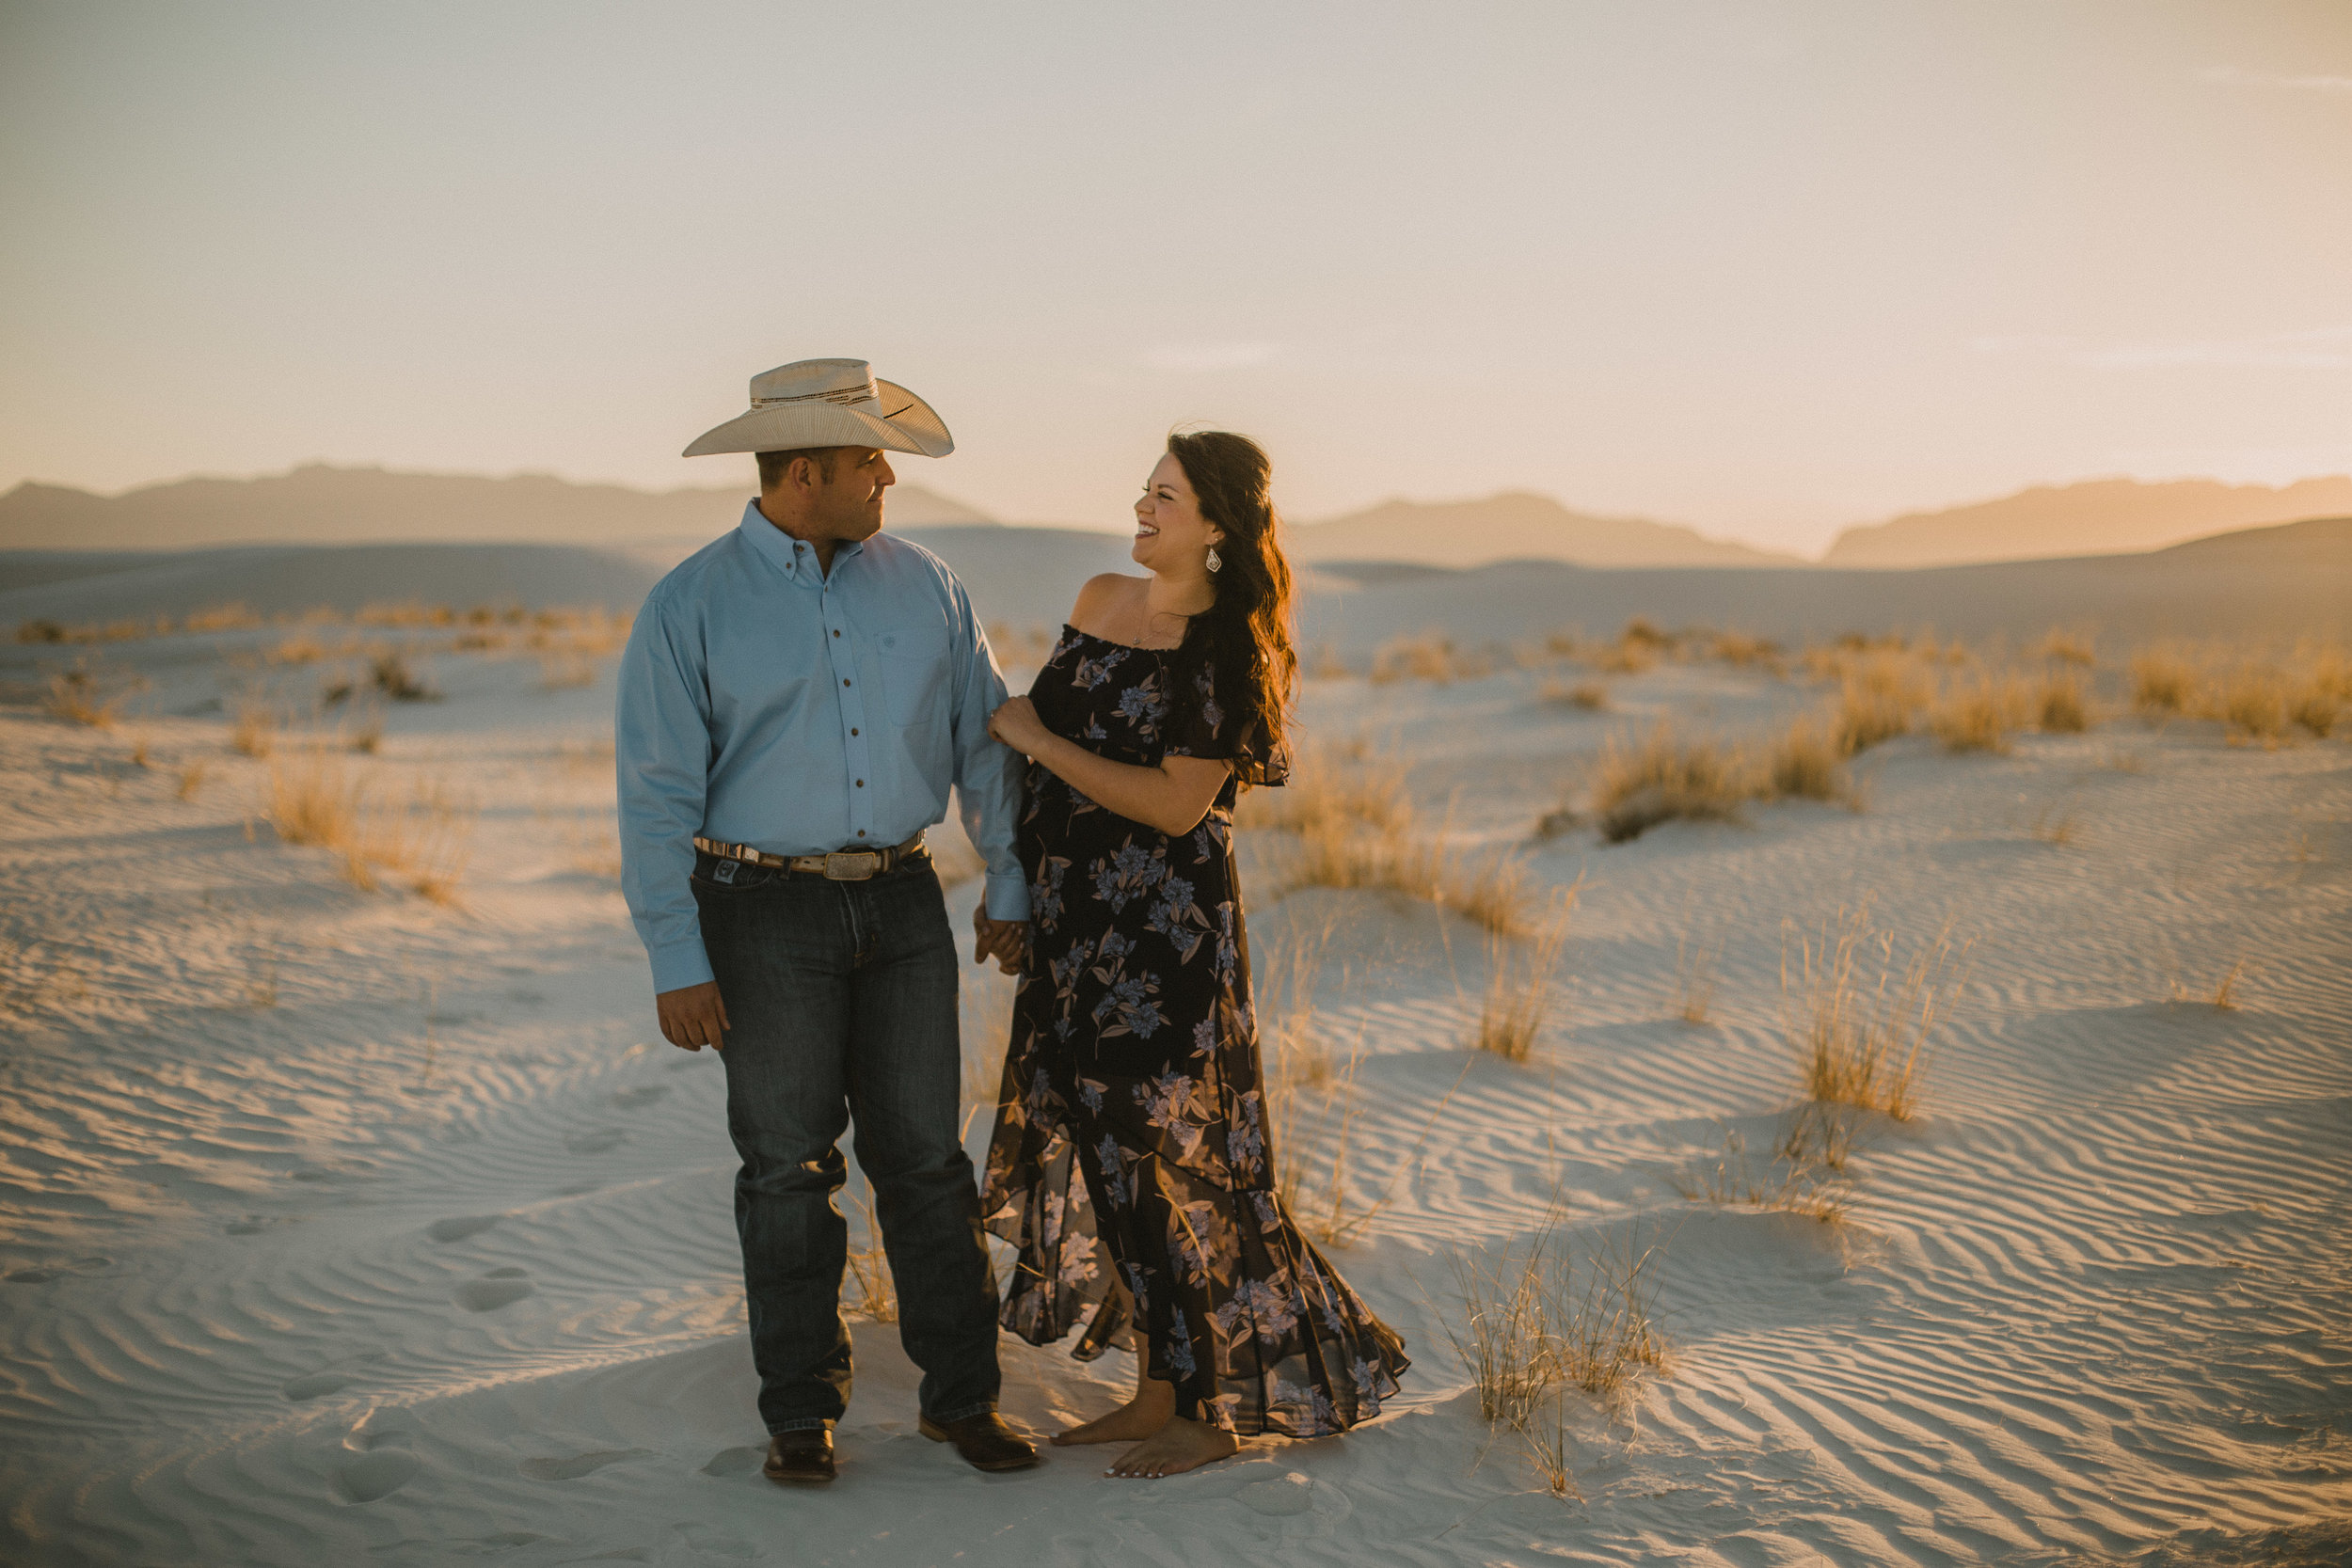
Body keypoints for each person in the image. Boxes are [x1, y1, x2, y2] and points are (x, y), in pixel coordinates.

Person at [616, 358, 1039, 1486]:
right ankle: (801, 1416)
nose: (886, 474)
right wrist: (676, 953)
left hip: (903, 901)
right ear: (804, 470)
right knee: (786, 1169)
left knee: (926, 1163)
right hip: (757, 915)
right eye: (867, 458)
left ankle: (965, 1402)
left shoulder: (930, 586)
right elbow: (654, 788)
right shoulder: (689, 604)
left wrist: (1008, 879)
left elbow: (981, 742)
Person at [979, 430, 1409, 1480]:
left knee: (1186, 1168)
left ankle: (1220, 1406)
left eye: (1164, 496)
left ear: (1216, 525)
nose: (1142, 505)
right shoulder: (1094, 596)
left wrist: (1038, 742)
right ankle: (1154, 1390)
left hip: (1165, 939)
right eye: (1145, 488)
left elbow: (1178, 804)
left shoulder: (1225, 645)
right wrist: (1018, 890)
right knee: (1108, 1154)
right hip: (1075, 931)